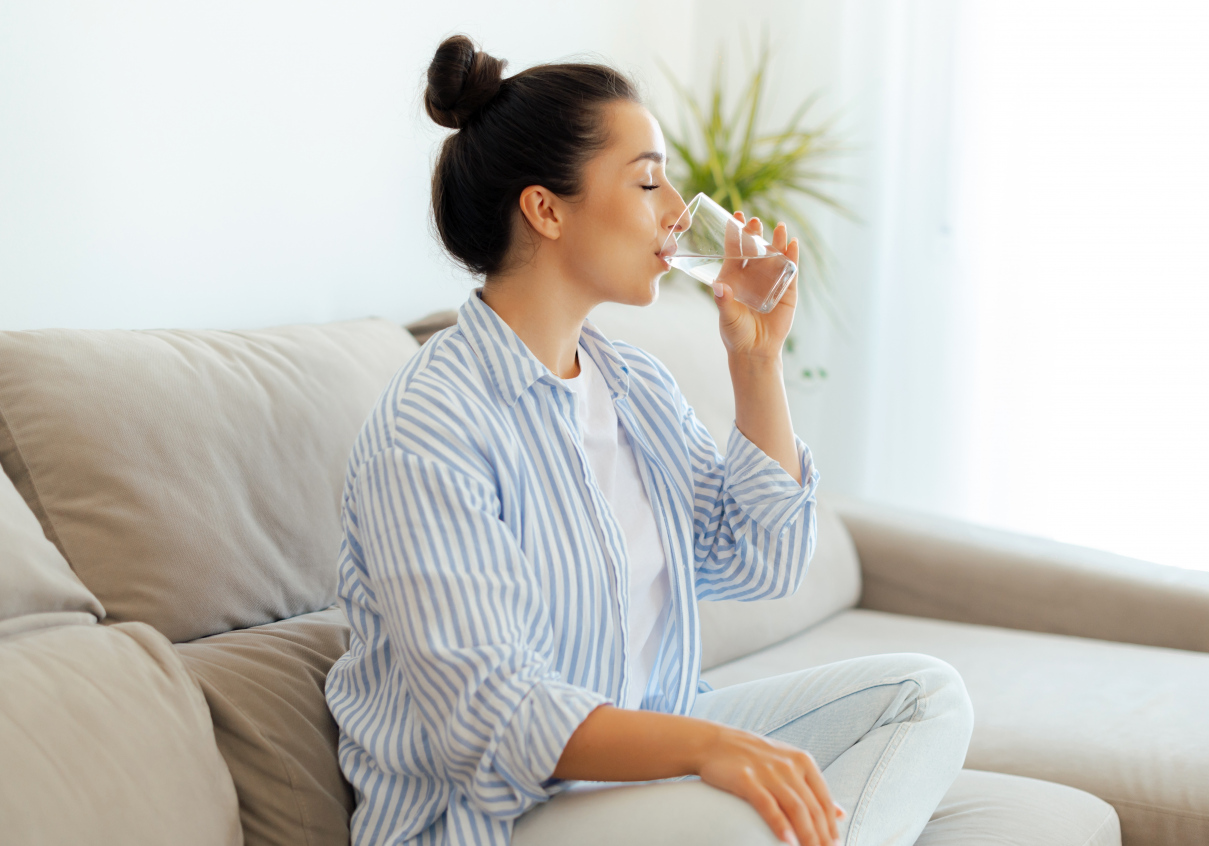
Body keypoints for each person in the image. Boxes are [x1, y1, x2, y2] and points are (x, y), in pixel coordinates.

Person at [323, 33, 974, 846]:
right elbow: (493, 716)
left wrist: (757, 363)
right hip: (497, 817)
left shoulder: (633, 385)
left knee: (925, 697)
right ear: (546, 209)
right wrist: (708, 748)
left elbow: (762, 560)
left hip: (635, 772)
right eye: (647, 181)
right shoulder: (430, 428)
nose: (677, 211)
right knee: (741, 817)